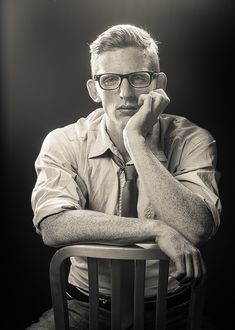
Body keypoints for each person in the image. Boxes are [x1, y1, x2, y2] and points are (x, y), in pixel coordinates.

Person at [27, 24, 221, 329]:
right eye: (110, 80)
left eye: (139, 78)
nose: (126, 94)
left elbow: (196, 228)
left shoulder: (193, 139)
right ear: (94, 90)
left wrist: (137, 143)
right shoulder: (63, 142)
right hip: (83, 308)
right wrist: (156, 229)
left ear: (159, 83)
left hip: (175, 311)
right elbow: (53, 225)